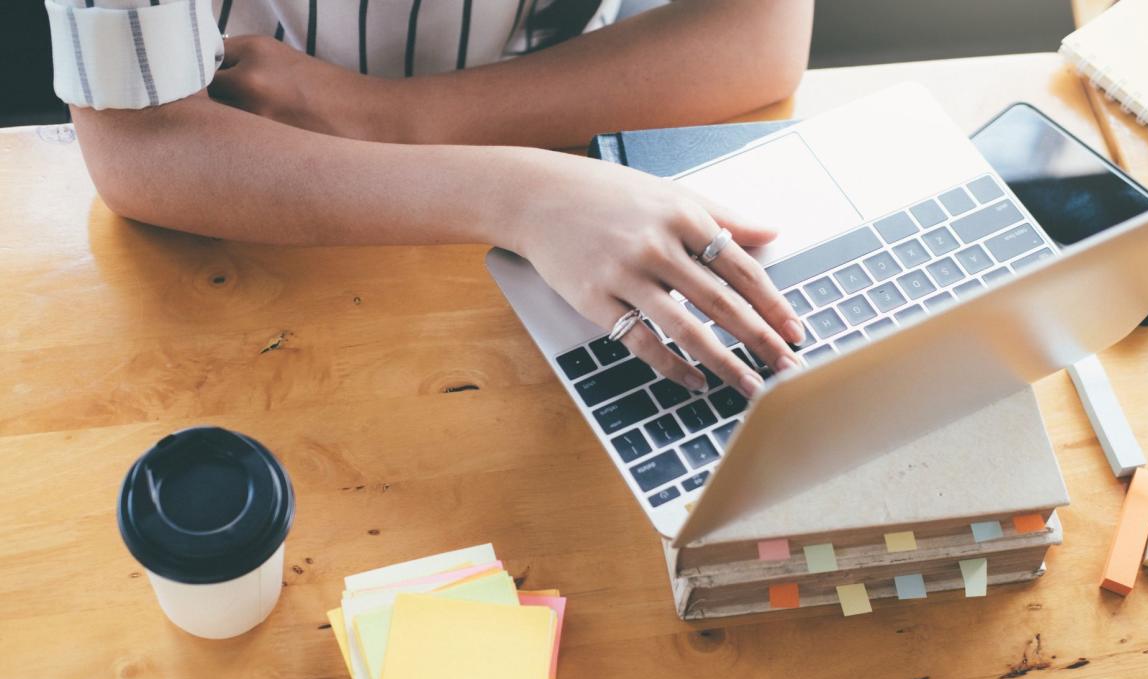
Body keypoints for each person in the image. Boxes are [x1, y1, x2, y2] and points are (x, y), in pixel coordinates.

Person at [44, 0, 814, 399]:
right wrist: (518, 195)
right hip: (252, 209)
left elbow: (762, 32)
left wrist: (400, 116)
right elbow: (137, 143)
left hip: (568, 158)